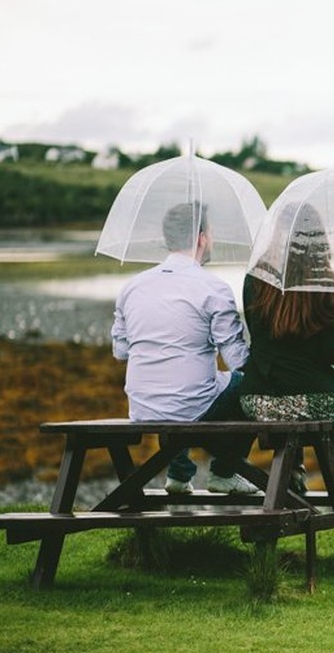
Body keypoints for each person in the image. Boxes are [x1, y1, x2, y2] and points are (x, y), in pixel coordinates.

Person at [111, 201, 258, 494]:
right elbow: (237, 360)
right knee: (248, 386)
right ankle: (224, 472)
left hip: (142, 405)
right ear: (202, 237)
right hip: (191, 404)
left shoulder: (133, 286)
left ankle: (179, 475)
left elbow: (121, 351)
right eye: (211, 234)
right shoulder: (213, 288)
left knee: (179, 384)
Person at [239, 201, 334, 491]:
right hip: (312, 399)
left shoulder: (255, 278)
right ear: (318, 238)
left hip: (259, 399)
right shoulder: (326, 282)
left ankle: (293, 472)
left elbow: (257, 336)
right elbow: (330, 354)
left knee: (293, 389)